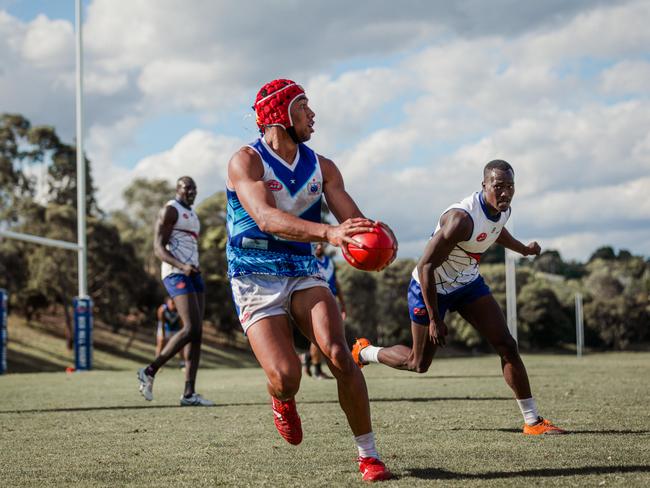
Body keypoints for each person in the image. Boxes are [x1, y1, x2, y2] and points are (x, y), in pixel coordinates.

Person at [226, 79, 395, 481]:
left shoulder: (324, 167)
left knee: (338, 352)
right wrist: (328, 234)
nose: (313, 114)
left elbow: (352, 224)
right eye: (304, 106)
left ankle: (368, 456)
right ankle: (282, 399)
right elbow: (266, 219)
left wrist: (376, 238)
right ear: (281, 115)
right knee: (286, 377)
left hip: (303, 267)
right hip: (253, 270)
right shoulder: (245, 161)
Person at [352, 160, 567, 436]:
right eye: (498, 187)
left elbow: (495, 230)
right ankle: (365, 352)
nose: (505, 193)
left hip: (467, 284)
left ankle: (533, 421)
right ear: (484, 186)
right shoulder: (460, 219)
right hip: (430, 288)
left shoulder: (503, 209)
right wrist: (434, 319)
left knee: (507, 344)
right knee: (418, 364)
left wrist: (523, 249)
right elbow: (425, 266)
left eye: (510, 187)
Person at [137, 177, 215, 407]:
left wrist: (194, 268)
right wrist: (182, 267)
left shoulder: (193, 214)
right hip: (175, 273)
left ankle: (189, 394)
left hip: (193, 273)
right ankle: (149, 371)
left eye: (194, 188)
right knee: (190, 327)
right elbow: (158, 248)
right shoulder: (171, 210)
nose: (191, 191)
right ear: (178, 189)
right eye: (187, 187)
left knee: (197, 333)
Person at [300, 242, 347, 379]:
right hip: (315, 301)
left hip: (331, 300)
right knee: (319, 336)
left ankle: (307, 358)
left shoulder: (329, 261)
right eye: (316, 244)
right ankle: (317, 370)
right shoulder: (308, 260)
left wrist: (342, 303)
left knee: (327, 337)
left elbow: (335, 282)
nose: (319, 247)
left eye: (321, 244)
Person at [155, 297, 186, 369]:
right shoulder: (162, 310)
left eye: (175, 303)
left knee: (180, 345)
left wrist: (182, 333)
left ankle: (182, 364)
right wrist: (163, 335)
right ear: (167, 303)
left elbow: (181, 323)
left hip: (175, 329)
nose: (173, 305)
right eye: (172, 303)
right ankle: (157, 363)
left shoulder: (180, 309)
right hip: (164, 328)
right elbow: (161, 322)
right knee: (161, 343)